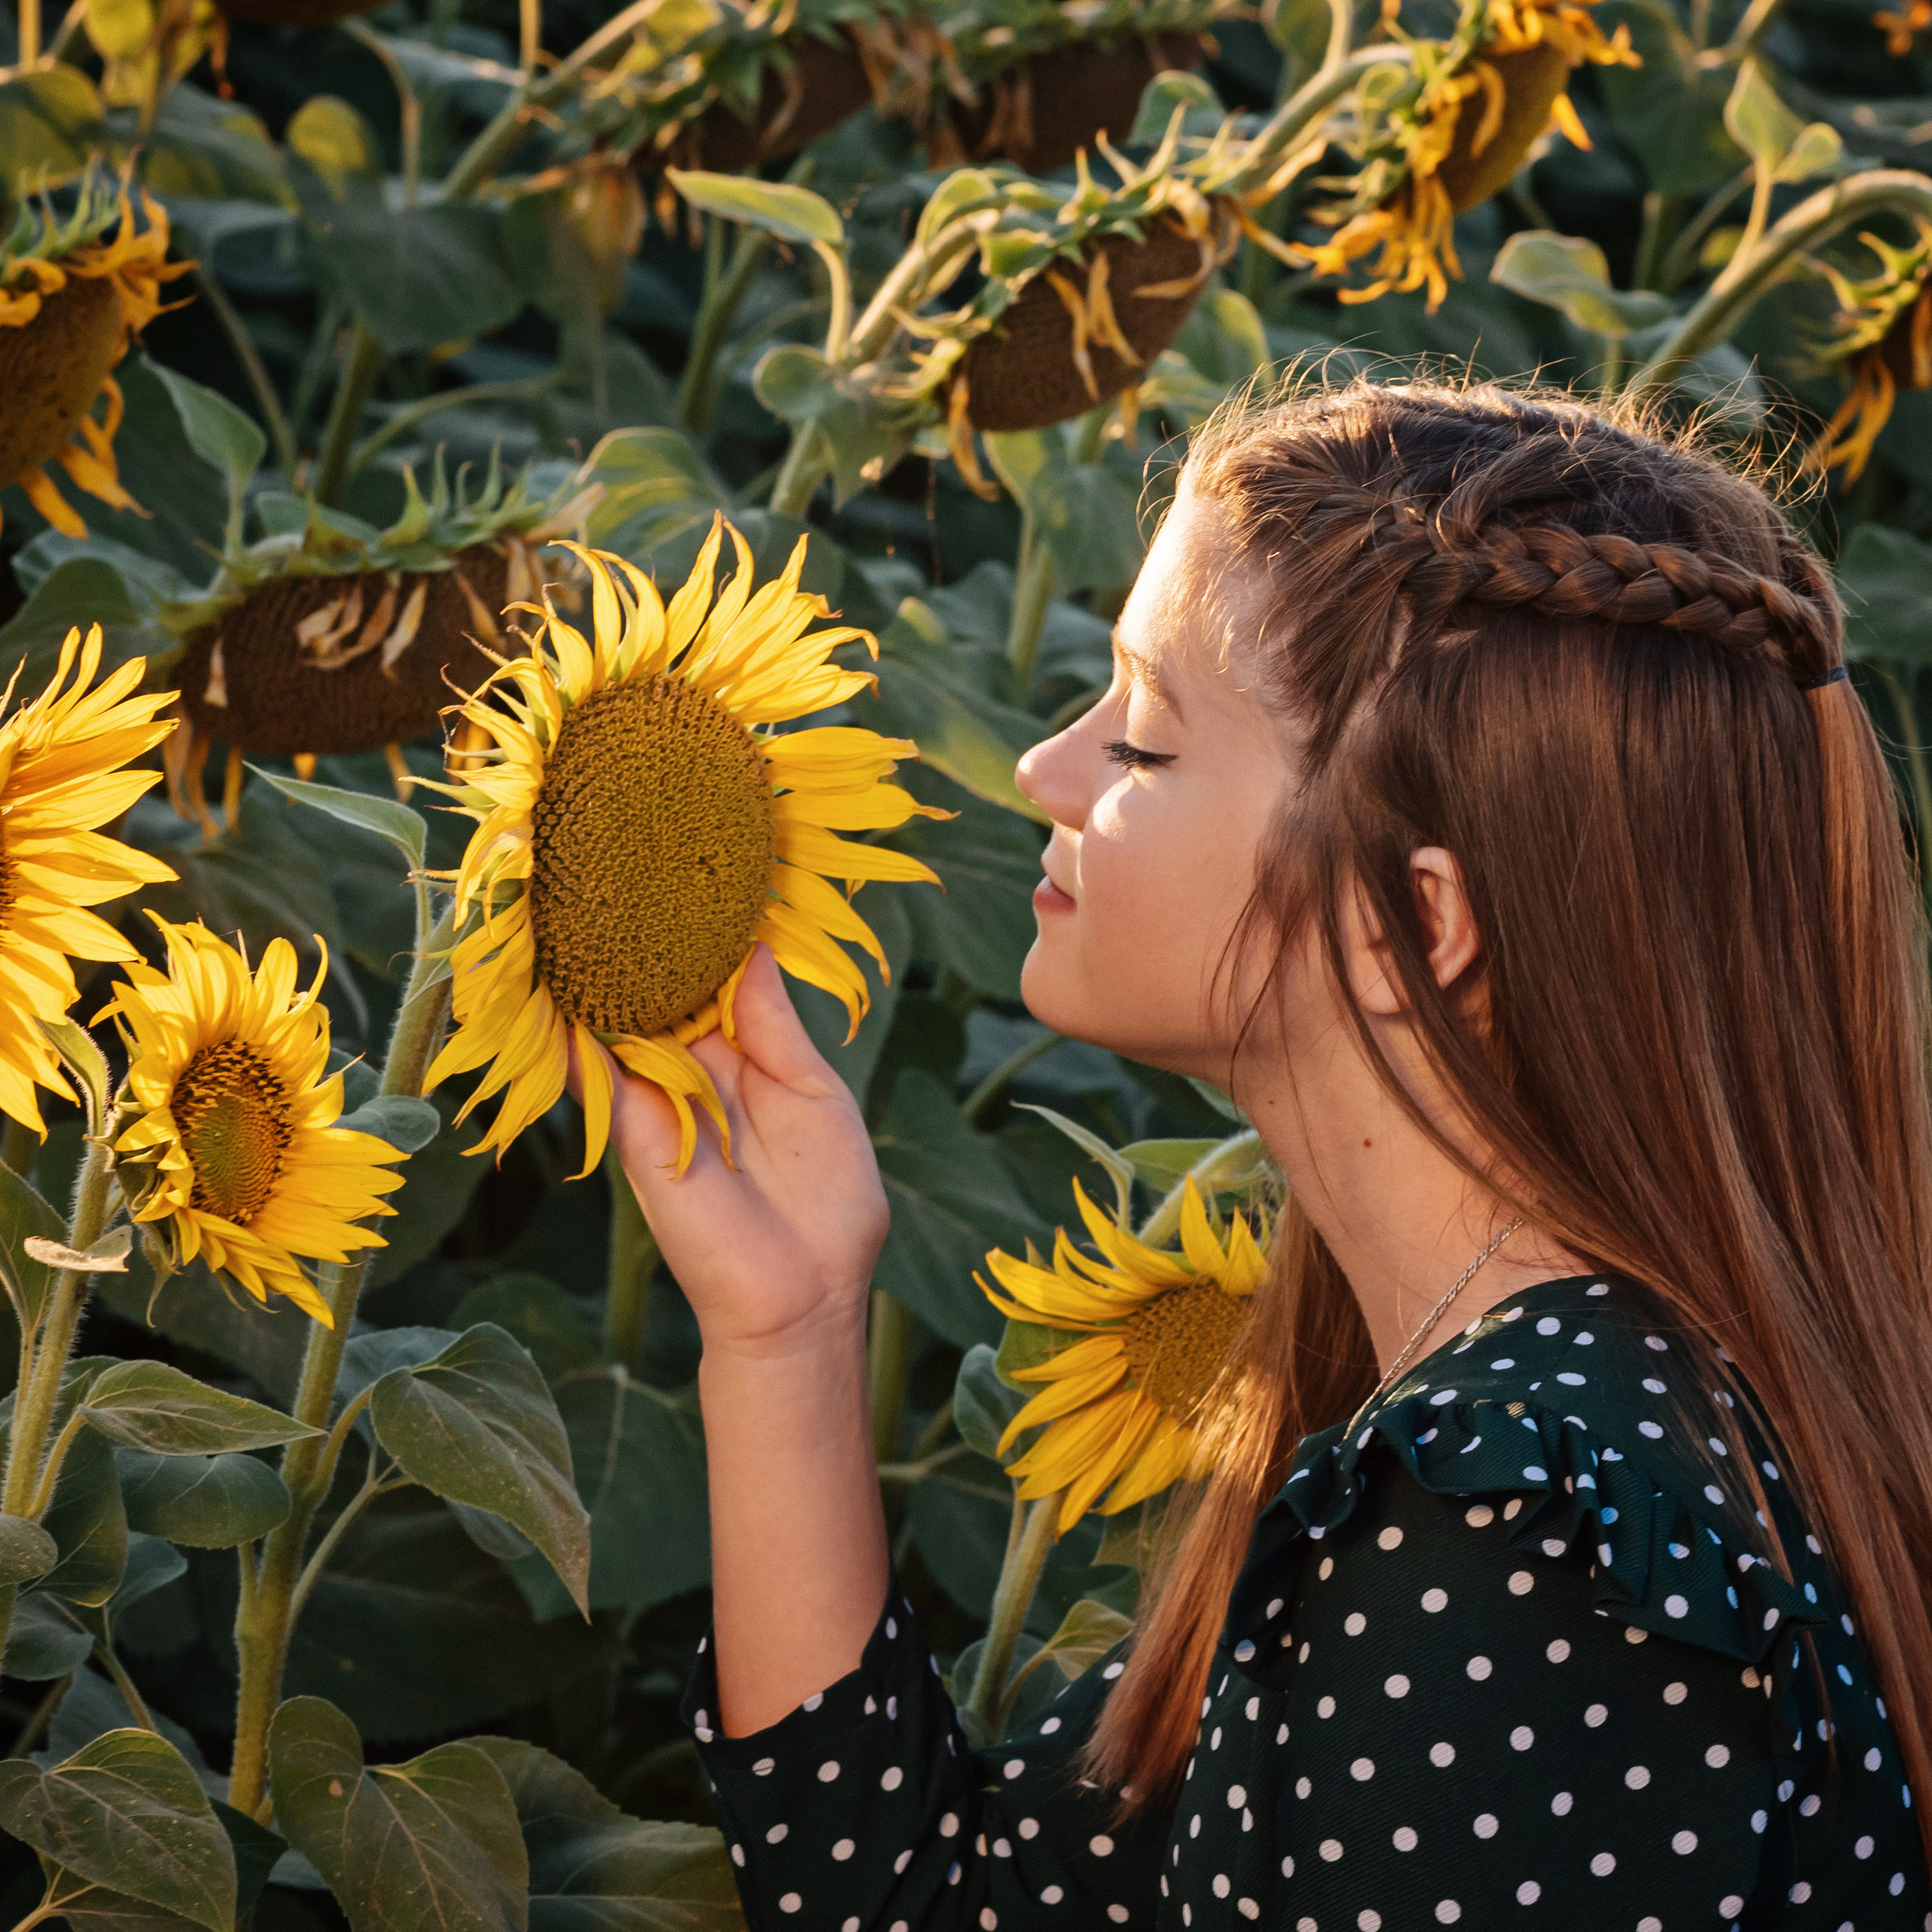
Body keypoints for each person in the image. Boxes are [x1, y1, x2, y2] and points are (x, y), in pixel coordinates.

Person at [587, 378, 1932, 1928]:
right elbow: (941, 1903)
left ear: (1407, 927)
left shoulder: (1517, 1543)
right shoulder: (1491, 1418)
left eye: (1142, 743)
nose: (1044, 770)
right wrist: (791, 1329)